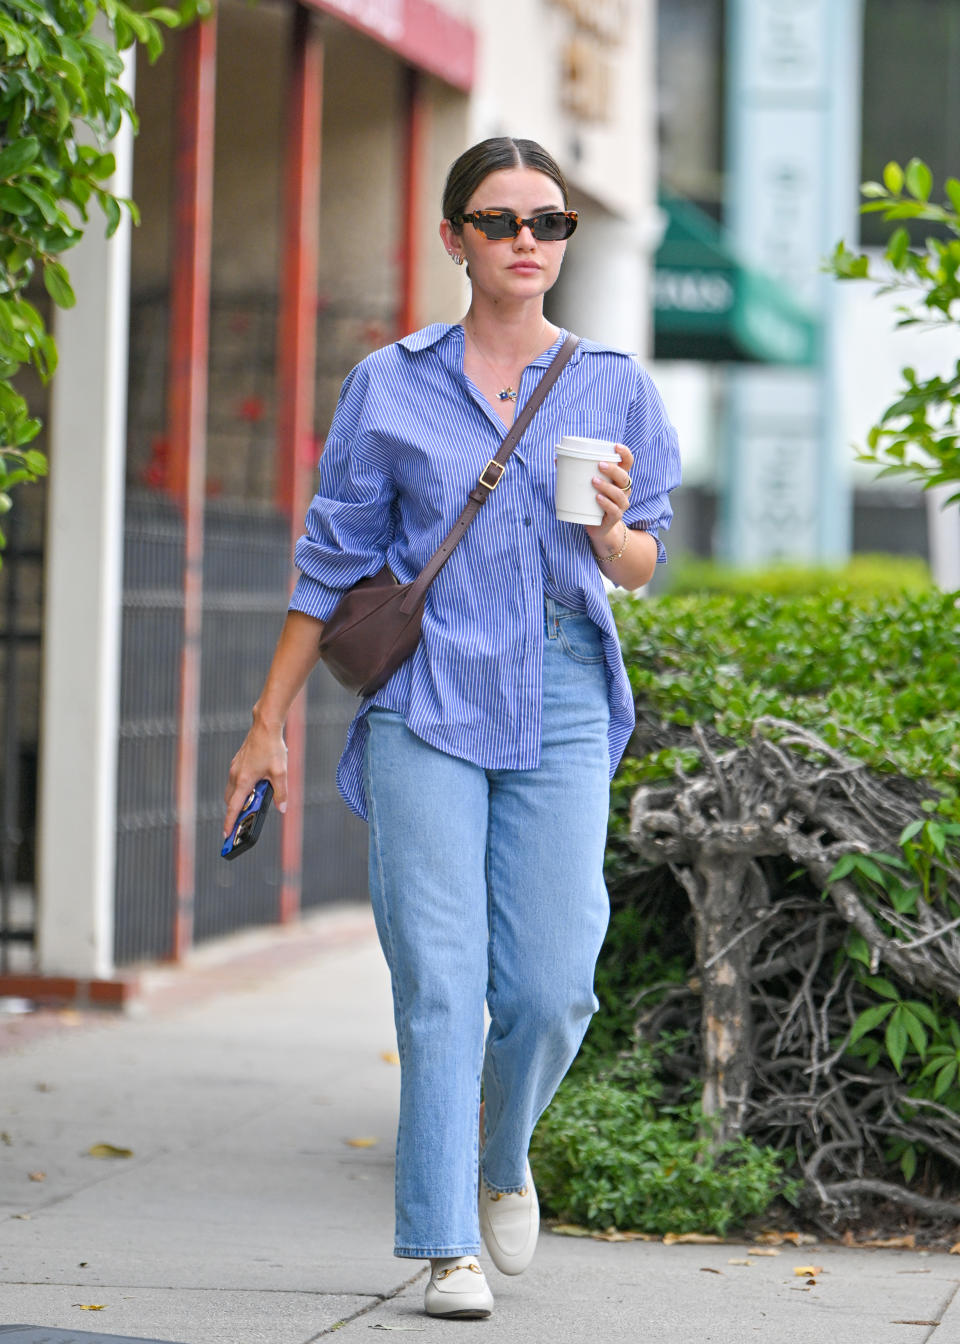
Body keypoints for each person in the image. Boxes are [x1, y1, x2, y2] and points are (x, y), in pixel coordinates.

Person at [223, 136, 680, 1321]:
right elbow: (329, 565)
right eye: (500, 221)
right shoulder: (390, 384)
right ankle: (444, 1243)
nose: (527, 241)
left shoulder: (614, 383)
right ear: (454, 240)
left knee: (550, 985)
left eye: (549, 222)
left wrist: (611, 531)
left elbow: (641, 567)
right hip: (425, 695)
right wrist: (265, 723)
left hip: (566, 689)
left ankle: (499, 1154)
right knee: (439, 977)